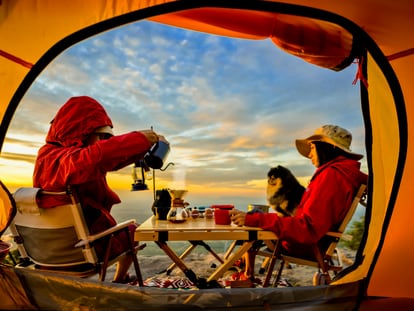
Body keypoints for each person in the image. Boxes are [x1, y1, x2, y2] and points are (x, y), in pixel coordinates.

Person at [33, 96, 169, 283]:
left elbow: (104, 160)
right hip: (83, 250)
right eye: (102, 137)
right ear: (82, 132)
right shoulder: (68, 161)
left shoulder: (47, 158)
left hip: (48, 253)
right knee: (133, 230)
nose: (103, 142)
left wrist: (138, 153)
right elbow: (96, 157)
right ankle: (119, 280)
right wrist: (143, 138)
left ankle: (119, 279)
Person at [230, 124, 368, 281]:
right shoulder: (340, 174)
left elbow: (307, 228)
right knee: (254, 220)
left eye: (312, 147)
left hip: (304, 246)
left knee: (250, 226)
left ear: (325, 147)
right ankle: (247, 276)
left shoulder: (332, 177)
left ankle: (246, 277)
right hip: (313, 241)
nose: (309, 154)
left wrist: (255, 219)